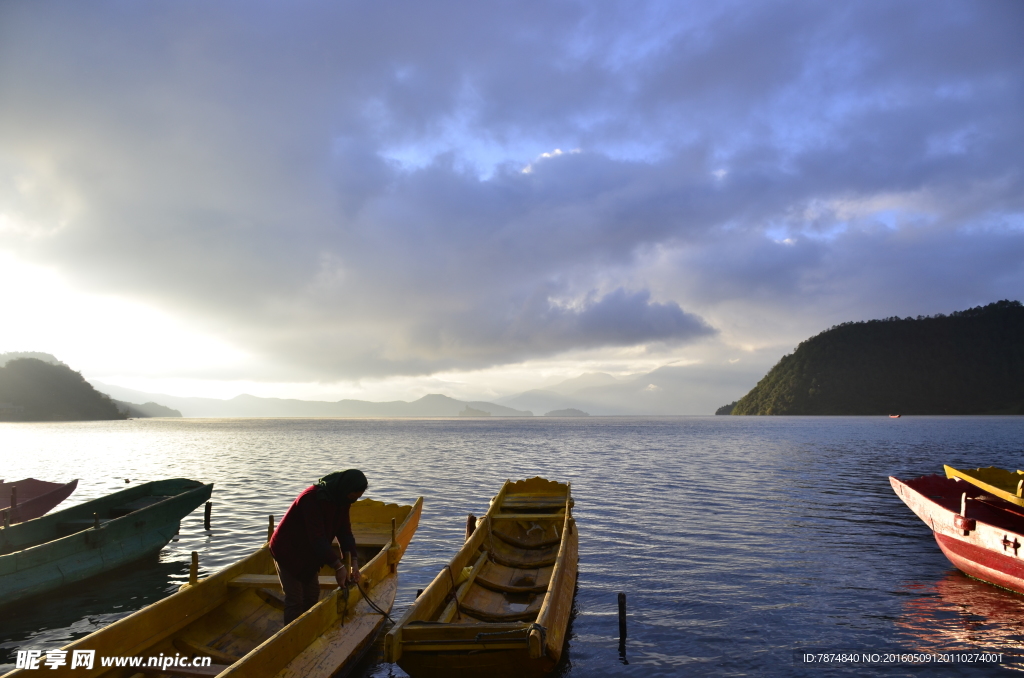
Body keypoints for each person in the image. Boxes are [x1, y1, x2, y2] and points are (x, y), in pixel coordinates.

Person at [269, 469, 367, 624]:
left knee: (312, 595)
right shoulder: (312, 498)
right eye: (351, 497)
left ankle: (309, 632)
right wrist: (338, 567)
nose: (352, 502)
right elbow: (317, 538)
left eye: (355, 499)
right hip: (287, 550)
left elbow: (345, 533)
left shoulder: (342, 500)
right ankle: (291, 642)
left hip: (310, 553)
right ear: (345, 488)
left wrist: (354, 561)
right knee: (295, 599)